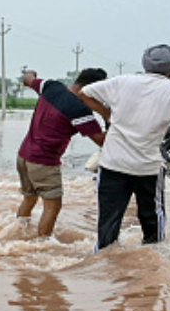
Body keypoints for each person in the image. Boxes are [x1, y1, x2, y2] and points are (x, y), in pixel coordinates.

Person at [78, 45, 170, 251]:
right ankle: (154, 264)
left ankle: (103, 265)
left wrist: (107, 115)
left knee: (107, 227)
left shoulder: (123, 82)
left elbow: (84, 93)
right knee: (153, 227)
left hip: (113, 164)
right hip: (148, 169)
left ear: (145, 64)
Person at [15, 68, 107, 237]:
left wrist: (31, 73)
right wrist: (111, 118)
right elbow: (101, 140)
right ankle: (42, 244)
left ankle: (18, 234)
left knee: (29, 198)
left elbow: (28, 78)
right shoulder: (79, 110)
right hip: (44, 162)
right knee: (53, 205)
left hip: (23, 156)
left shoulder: (51, 86)